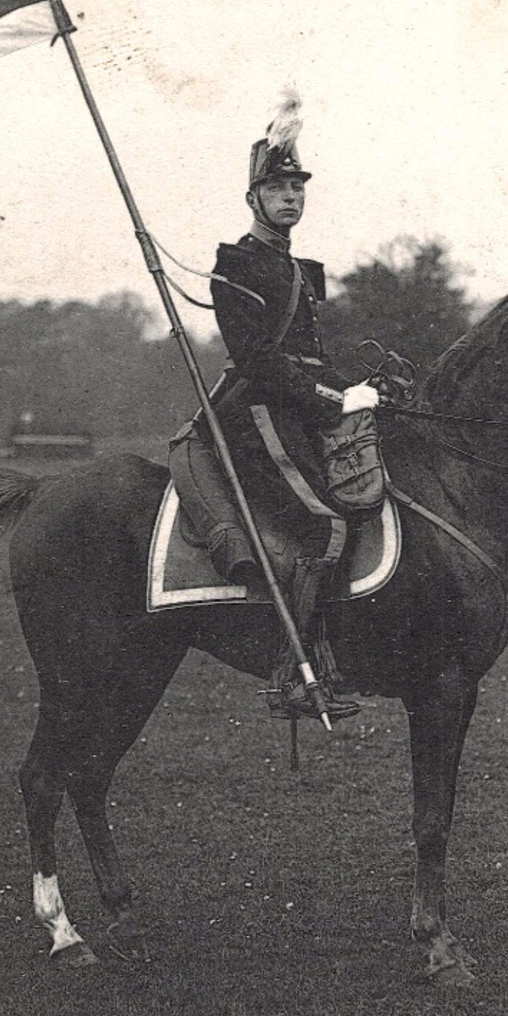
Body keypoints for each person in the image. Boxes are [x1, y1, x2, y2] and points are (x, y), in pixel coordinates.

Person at [170, 92, 381, 722]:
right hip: (254, 412)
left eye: (298, 189)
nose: (291, 198)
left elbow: (312, 354)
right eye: (279, 188)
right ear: (253, 199)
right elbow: (261, 363)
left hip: (297, 407)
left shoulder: (298, 268)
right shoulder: (234, 266)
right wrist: (329, 400)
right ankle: (295, 675)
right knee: (327, 525)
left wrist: (360, 387)